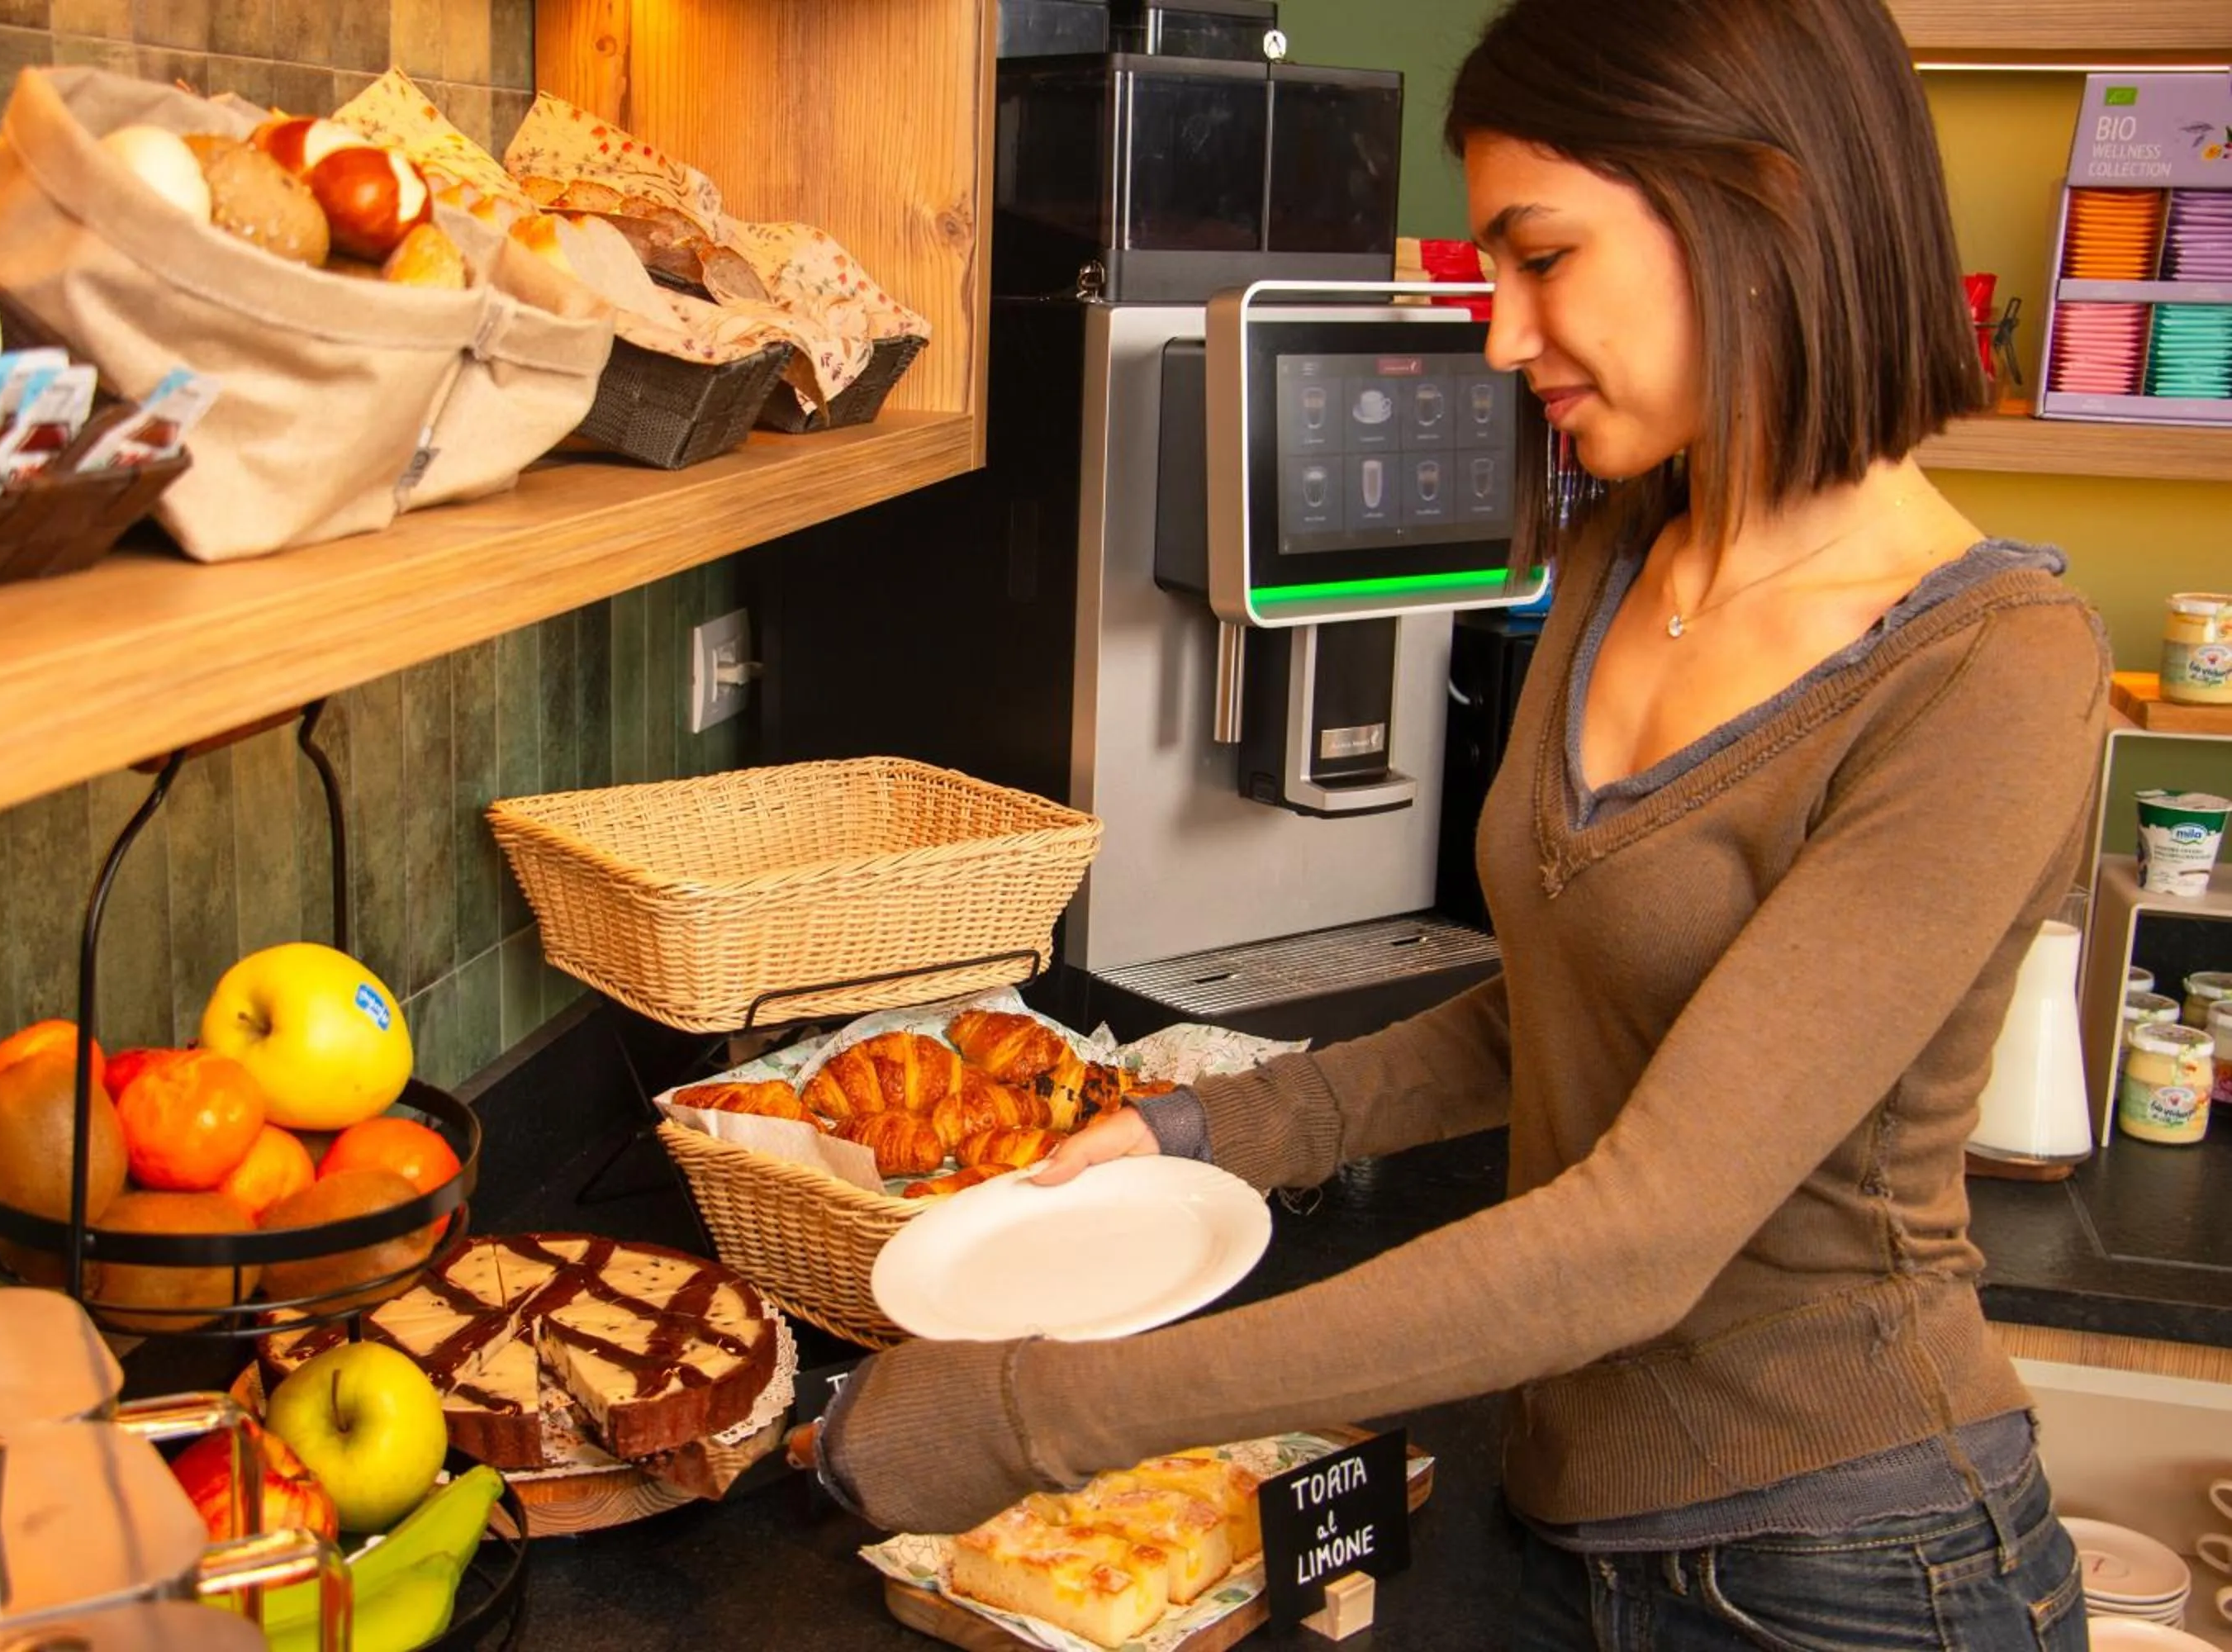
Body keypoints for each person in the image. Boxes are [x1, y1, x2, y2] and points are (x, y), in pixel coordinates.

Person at [805, 0, 2108, 1643]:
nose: (1499, 337)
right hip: (1565, 1520)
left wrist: (1032, 1412)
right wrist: (1216, 1128)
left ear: (1756, 201)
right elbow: (1554, 1012)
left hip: (1865, 1576)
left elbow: (1635, 1238)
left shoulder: (1988, 669)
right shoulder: (1627, 550)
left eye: (1541, 258)